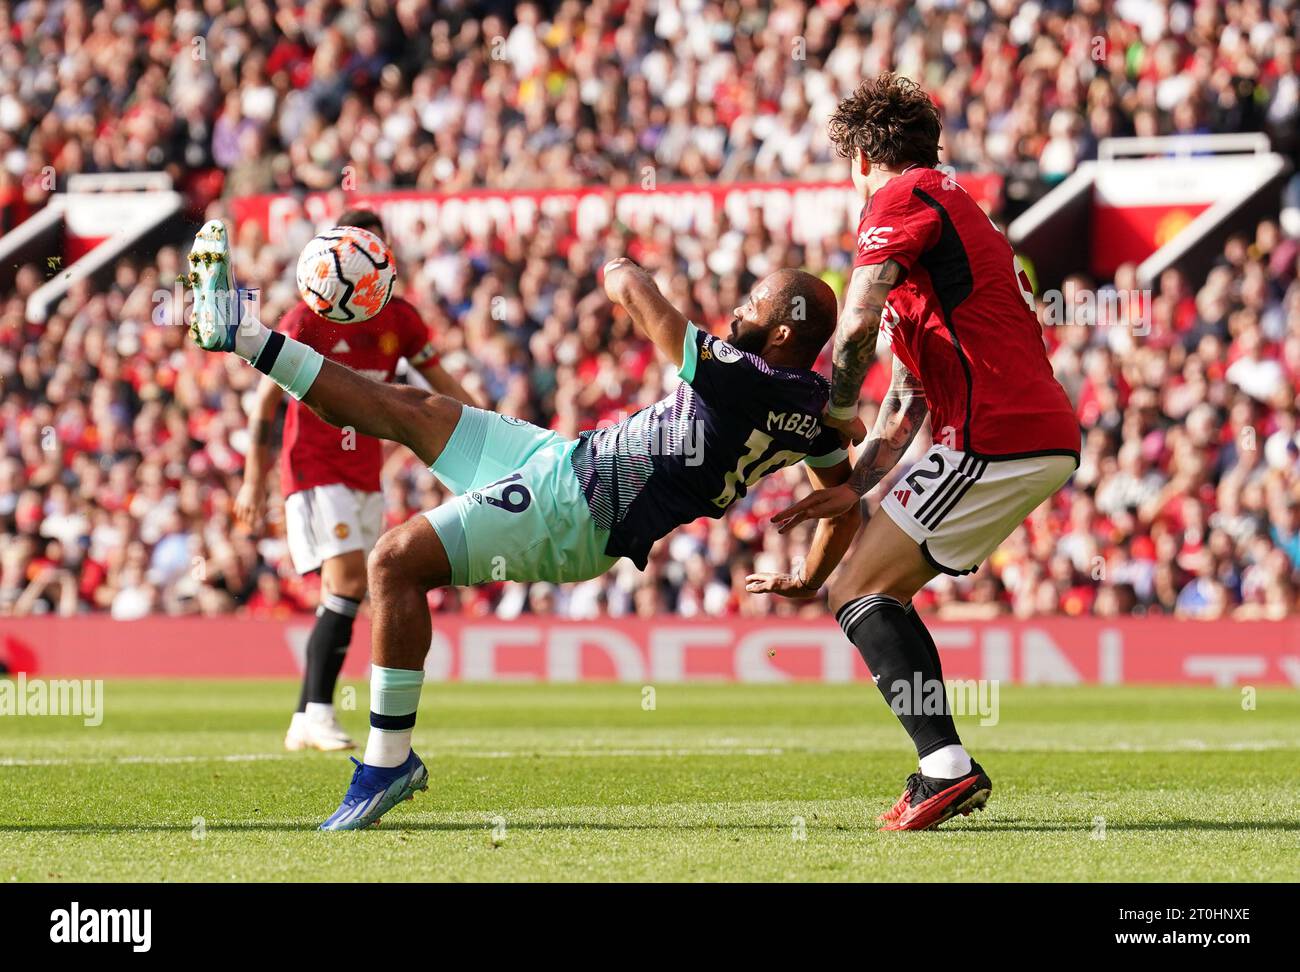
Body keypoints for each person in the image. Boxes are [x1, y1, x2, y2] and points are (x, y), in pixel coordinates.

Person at [186, 219, 861, 830]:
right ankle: (239, 332)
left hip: (579, 511)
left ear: (780, 334)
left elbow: (639, 298)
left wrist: (620, 265)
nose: (738, 309)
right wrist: (809, 577)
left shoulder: (743, 375)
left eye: (754, 304)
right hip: (569, 462)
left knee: (392, 561)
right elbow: (842, 498)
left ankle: (387, 760)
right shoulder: (813, 409)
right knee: (406, 407)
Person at [757, 75, 1081, 831]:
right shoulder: (950, 223)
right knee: (871, 591)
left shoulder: (903, 197)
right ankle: (943, 766)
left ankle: (946, 768)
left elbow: (856, 319)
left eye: (848, 164)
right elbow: (906, 403)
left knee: (857, 593)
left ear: (866, 155)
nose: (851, 180)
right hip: (1017, 434)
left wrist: (828, 417)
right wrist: (858, 488)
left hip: (999, 435)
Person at [231, 209, 475, 753]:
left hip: (364, 470)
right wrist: (254, 479)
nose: (375, 263)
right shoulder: (308, 318)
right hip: (314, 465)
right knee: (344, 581)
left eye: (380, 251)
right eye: (364, 251)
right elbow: (265, 403)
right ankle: (318, 711)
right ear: (340, 252)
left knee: (350, 589)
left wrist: (491, 428)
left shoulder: (403, 320)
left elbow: (443, 385)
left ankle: (303, 715)